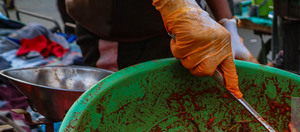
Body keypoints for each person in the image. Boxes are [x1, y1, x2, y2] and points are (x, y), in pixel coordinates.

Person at [65, 0, 255, 98]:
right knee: (119, 113)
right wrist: (177, 5)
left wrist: (227, 24)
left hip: (188, 28)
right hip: (122, 37)